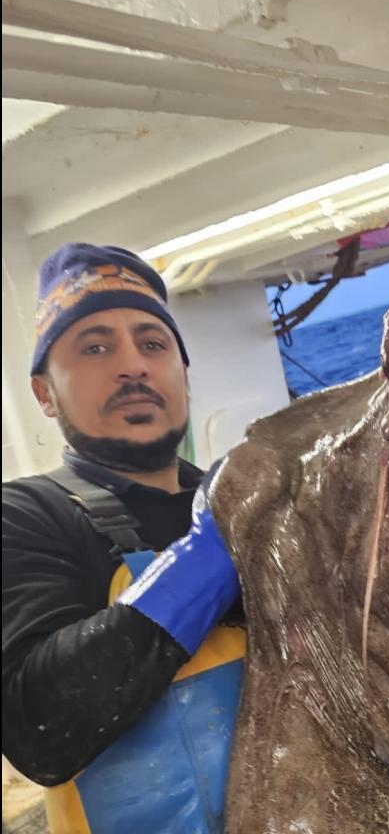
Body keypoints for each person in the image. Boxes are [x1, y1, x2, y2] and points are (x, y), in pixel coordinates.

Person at [2, 244, 244, 833]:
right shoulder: (26, 516)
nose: (132, 364)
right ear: (44, 392)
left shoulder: (250, 501)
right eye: (95, 347)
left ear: (182, 374)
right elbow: (41, 731)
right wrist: (212, 555)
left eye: (153, 344)